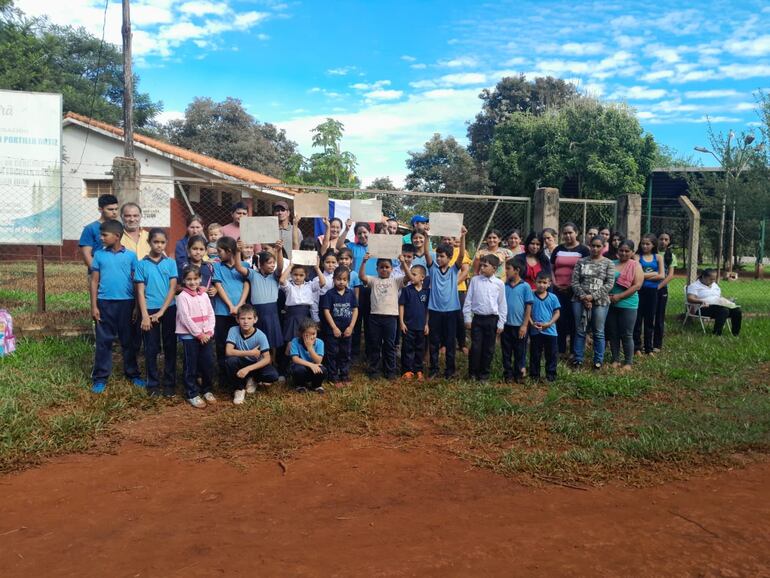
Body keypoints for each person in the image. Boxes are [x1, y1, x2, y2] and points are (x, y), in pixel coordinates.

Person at [89, 219, 143, 393]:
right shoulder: (99, 255)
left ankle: (132, 373)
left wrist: (136, 306)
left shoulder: (131, 256)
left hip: (127, 304)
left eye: (104, 235)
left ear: (117, 236)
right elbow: (94, 281)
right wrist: (94, 306)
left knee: (129, 341)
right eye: (100, 234)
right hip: (105, 303)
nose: (101, 238)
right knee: (104, 342)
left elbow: (137, 282)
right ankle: (100, 377)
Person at [135, 228, 178, 397]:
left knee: (170, 347)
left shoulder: (170, 263)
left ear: (166, 243)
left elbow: (173, 288)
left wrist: (162, 311)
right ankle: (152, 383)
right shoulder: (142, 264)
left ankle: (169, 383)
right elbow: (139, 291)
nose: (159, 245)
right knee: (151, 348)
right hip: (149, 310)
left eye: (162, 242)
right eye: (156, 242)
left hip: (168, 310)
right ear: (149, 243)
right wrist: (145, 315)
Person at [359, 252, 413, 379]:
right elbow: (362, 276)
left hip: (391, 318)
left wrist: (403, 262)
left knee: (390, 345)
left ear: (392, 269)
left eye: (387, 267)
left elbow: (409, 277)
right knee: (375, 345)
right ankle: (374, 371)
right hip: (375, 317)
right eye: (381, 267)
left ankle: (390, 371)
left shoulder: (396, 281)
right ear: (377, 269)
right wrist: (364, 261)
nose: (384, 269)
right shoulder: (373, 280)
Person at [425, 227, 468, 378]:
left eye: (442, 256)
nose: (438, 259)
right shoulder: (433, 269)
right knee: (434, 342)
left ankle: (450, 370)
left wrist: (462, 237)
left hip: (451, 311)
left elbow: (461, 255)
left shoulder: (454, 270)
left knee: (450, 342)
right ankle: (434, 370)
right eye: (437, 256)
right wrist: (427, 235)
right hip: (435, 311)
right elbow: (426, 253)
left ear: (449, 258)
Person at [234, 240, 285, 359]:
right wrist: (237, 251)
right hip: (258, 312)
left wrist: (279, 251)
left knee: (273, 341)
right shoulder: (253, 275)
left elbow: (280, 267)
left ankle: (272, 363)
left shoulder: (275, 276)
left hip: (272, 312)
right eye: (269, 263)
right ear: (261, 265)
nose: (273, 265)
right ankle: (258, 365)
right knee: (258, 340)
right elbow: (238, 267)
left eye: (274, 263)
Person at [570, 236, 615, 370]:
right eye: (593, 246)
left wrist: (592, 297)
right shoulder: (581, 262)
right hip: (579, 300)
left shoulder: (608, 263)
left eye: (598, 246)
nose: (595, 249)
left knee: (598, 331)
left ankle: (598, 360)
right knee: (580, 330)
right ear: (589, 246)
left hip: (600, 301)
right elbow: (574, 282)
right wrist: (584, 297)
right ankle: (578, 359)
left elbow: (609, 284)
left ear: (603, 247)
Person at [176, 264, 216, 408]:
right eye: (189, 279)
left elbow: (211, 314)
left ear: (200, 279)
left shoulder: (204, 295)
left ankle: (206, 389)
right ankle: (192, 393)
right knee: (190, 365)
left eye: (195, 278)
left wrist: (209, 331)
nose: (192, 282)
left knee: (207, 364)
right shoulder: (182, 297)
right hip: (190, 337)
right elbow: (185, 318)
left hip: (206, 336)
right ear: (184, 281)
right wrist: (199, 334)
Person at [212, 237, 251, 384]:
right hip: (222, 311)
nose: (218, 254)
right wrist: (230, 306)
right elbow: (218, 286)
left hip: (241, 313)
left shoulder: (245, 265)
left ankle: (241, 375)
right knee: (222, 344)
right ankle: (224, 376)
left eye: (220, 251)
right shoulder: (217, 267)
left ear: (229, 251)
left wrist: (240, 305)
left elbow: (247, 285)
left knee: (240, 343)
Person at [463, 254, 507, 381]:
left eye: (485, 265)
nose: (481, 267)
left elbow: (502, 304)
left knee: (488, 348)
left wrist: (501, 323)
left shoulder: (499, 284)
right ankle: (472, 373)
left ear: (494, 268)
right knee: (476, 347)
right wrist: (467, 318)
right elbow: (468, 300)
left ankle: (484, 374)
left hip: (492, 319)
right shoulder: (475, 281)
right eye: (481, 265)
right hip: (477, 319)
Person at [226, 304, 280, 405]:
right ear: (237, 320)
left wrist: (248, 369)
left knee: (272, 375)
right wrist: (250, 352)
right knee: (231, 361)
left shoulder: (260, 335)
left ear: (255, 320)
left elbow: (267, 359)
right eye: (242, 318)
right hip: (241, 361)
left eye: (249, 318)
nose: (246, 321)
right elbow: (229, 351)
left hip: (255, 364)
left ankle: (253, 379)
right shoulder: (233, 330)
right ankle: (239, 389)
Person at [550, 222, 589, 357]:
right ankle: (560, 350)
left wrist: (572, 286)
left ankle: (573, 350)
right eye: (565, 233)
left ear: (576, 233)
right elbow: (551, 268)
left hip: (575, 291)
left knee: (574, 320)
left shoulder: (583, 250)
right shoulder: (558, 249)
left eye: (570, 232)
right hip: (557, 290)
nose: (567, 235)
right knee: (560, 319)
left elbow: (585, 272)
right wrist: (554, 283)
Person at [606, 240, 644, 370]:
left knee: (627, 334)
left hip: (628, 304)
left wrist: (619, 296)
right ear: (617, 251)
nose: (624, 253)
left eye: (627, 251)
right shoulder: (611, 264)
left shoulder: (636, 265)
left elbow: (637, 285)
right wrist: (610, 296)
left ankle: (628, 362)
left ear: (632, 252)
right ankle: (615, 359)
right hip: (611, 303)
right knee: (613, 333)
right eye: (621, 250)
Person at [320, 266, 359, 387]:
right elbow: (326, 311)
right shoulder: (329, 294)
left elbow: (355, 310)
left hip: (347, 330)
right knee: (333, 353)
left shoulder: (351, 293)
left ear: (348, 280)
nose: (341, 282)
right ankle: (333, 376)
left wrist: (351, 327)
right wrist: (334, 328)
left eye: (344, 279)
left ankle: (344, 374)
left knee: (345, 352)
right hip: (333, 331)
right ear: (333, 279)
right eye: (338, 279)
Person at [502, 259, 533, 382]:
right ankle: (508, 374)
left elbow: (528, 306)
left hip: (519, 325)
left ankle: (519, 373)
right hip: (506, 325)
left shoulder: (525, 286)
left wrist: (524, 325)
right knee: (506, 351)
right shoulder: (504, 286)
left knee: (520, 351)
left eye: (508, 268)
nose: (506, 271)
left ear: (517, 270)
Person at [633, 234, 664, 355]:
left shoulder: (658, 257)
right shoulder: (636, 257)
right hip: (639, 290)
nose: (645, 246)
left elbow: (662, 276)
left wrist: (644, 276)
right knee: (637, 319)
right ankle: (637, 347)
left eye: (648, 244)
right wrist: (654, 273)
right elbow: (636, 275)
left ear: (653, 245)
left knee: (650, 320)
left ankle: (649, 348)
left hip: (652, 292)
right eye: (643, 244)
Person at [440, 235, 472, 355]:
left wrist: (453, 284)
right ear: (441, 240)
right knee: (444, 316)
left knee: (459, 317)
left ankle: (462, 343)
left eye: (450, 239)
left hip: (458, 289)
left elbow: (465, 271)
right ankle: (443, 344)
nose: (447, 241)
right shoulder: (438, 252)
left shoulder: (461, 252)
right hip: (442, 291)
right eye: (445, 239)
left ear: (454, 240)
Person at [686, 269, 742, 336]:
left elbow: (719, 296)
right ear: (703, 277)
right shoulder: (694, 286)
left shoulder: (715, 285)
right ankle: (716, 333)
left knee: (737, 311)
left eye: (714, 279)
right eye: (710, 279)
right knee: (723, 311)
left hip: (718, 305)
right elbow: (690, 298)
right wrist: (700, 301)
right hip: (703, 308)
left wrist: (727, 300)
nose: (712, 281)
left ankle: (735, 334)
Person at [280, 260, 323, 347]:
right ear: (291, 274)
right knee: (291, 341)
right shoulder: (289, 286)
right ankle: (290, 359)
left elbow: (323, 282)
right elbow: (281, 280)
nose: (298, 277)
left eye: (301, 275)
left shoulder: (309, 285)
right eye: (295, 275)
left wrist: (317, 268)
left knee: (304, 338)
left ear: (306, 275)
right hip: (292, 315)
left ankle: (302, 358)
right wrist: (290, 266)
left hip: (305, 314)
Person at [398, 264, 429, 380]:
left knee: (420, 349)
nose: (411, 276)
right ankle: (407, 370)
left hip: (421, 326)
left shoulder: (426, 292)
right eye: (410, 273)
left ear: (422, 277)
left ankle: (418, 370)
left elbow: (427, 309)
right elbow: (401, 305)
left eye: (414, 274)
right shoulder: (406, 290)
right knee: (407, 349)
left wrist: (426, 324)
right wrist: (402, 322)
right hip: (408, 326)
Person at [529, 272, 561, 382]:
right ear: (535, 282)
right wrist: (531, 322)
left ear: (549, 284)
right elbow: (527, 312)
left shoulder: (553, 297)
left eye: (544, 282)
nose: (541, 285)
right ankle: (534, 376)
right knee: (535, 354)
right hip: (535, 331)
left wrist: (549, 323)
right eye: (539, 282)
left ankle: (550, 376)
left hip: (550, 331)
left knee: (551, 355)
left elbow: (557, 313)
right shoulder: (531, 296)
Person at [79, 194, 120, 272]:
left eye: (116, 209)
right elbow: (86, 254)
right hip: (98, 272)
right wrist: (96, 272)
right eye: (110, 209)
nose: (114, 212)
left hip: (117, 272)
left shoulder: (119, 227)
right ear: (100, 210)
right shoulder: (90, 228)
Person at [289, 318, 327, 393]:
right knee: (298, 370)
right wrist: (310, 365)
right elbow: (295, 359)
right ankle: (300, 385)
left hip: (314, 368)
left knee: (323, 370)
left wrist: (310, 348)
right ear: (301, 334)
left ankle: (316, 385)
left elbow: (319, 360)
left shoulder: (320, 342)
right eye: (307, 335)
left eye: (313, 334)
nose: (311, 337)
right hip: (301, 367)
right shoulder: (295, 341)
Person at [653, 231, 676, 352]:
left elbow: (670, 275)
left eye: (666, 239)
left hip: (661, 289)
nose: (663, 241)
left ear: (669, 242)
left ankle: (657, 344)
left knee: (659, 317)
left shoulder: (670, 256)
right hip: (647, 287)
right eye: (661, 238)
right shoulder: (651, 253)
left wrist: (659, 286)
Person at [311, 250, 337, 322]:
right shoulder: (317, 279)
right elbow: (314, 300)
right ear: (322, 264)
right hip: (323, 312)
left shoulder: (341, 279)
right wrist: (315, 318)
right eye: (328, 262)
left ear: (337, 263)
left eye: (333, 262)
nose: (330, 265)